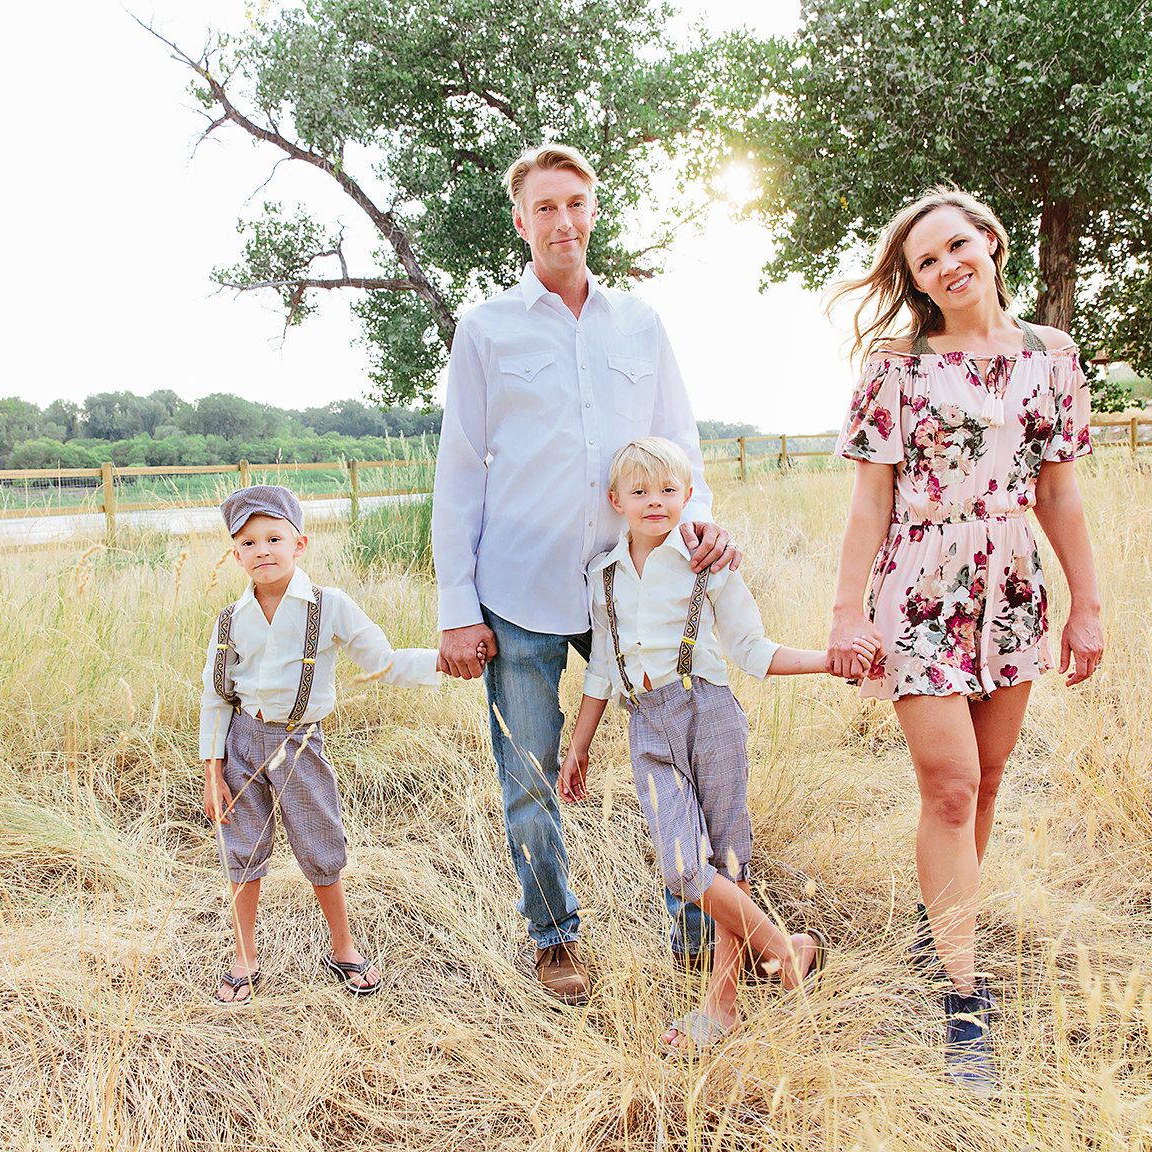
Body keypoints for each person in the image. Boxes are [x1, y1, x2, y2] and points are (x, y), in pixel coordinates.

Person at [431, 143, 738, 1004]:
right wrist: (458, 606)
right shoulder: (486, 329)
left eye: (575, 203)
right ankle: (554, 937)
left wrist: (698, 523)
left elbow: (682, 440)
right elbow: (460, 471)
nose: (561, 221)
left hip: (634, 589)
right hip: (519, 593)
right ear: (521, 221)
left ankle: (695, 929)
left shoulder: (640, 324)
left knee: (674, 764)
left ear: (592, 212)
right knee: (529, 777)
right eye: (544, 207)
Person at [825, 188, 1104, 1089]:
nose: (948, 267)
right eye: (926, 263)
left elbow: (1059, 492)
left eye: (956, 247)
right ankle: (963, 998)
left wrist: (1086, 604)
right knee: (947, 787)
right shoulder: (895, 368)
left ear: (989, 242)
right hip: (919, 586)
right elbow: (870, 499)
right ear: (916, 283)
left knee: (985, 783)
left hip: (1013, 582)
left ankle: (941, 921)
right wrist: (845, 610)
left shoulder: (1052, 359)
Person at [558, 437, 871, 1054]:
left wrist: (827, 663)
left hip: (710, 711)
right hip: (647, 724)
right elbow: (600, 665)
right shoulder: (602, 574)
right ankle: (787, 950)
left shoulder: (709, 564)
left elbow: (753, 650)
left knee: (727, 860)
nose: (656, 501)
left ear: (689, 495)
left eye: (669, 490)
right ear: (615, 499)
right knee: (680, 866)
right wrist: (580, 744)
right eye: (641, 491)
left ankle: (722, 1005)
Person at [200, 484, 449, 1005]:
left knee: (320, 846)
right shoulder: (230, 619)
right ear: (235, 553)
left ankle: (344, 946)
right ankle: (244, 956)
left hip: (299, 744)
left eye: (273, 538)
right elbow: (216, 697)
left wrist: (443, 661)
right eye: (247, 543)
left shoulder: (327, 606)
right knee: (242, 851)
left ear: (300, 543)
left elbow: (381, 661)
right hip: (242, 742)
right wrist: (213, 771)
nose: (261, 551)